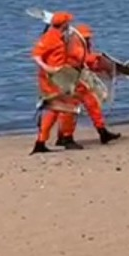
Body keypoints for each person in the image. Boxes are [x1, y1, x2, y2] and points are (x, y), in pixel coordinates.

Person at [54, 23, 121, 148]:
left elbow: (85, 62)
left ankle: (102, 132)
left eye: (88, 37)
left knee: (90, 102)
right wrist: (100, 59)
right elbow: (83, 58)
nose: (87, 39)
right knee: (70, 108)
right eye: (85, 37)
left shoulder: (79, 43)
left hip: (72, 77)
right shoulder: (73, 44)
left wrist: (101, 66)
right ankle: (66, 138)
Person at [30, 11, 80, 154]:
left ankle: (44, 141)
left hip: (60, 76)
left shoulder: (59, 36)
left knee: (58, 109)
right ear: (64, 24)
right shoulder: (50, 38)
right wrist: (48, 68)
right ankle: (65, 139)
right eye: (68, 22)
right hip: (52, 79)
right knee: (62, 107)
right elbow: (36, 55)